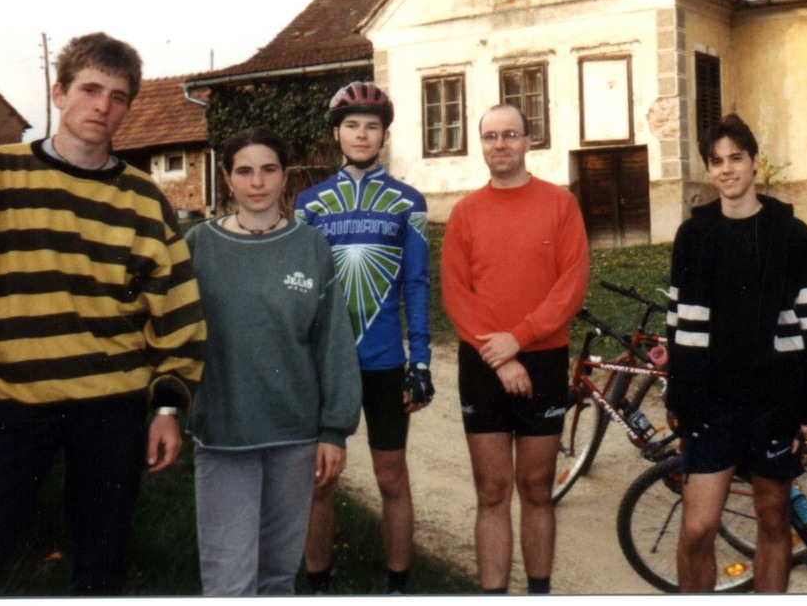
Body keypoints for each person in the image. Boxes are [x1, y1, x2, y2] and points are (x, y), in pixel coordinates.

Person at [0, 32, 207, 596]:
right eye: (90, 89)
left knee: (101, 568)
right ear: (58, 94)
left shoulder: (144, 199)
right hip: (12, 400)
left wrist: (166, 407)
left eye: (118, 96)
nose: (102, 106)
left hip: (111, 407)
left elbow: (176, 309)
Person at [185, 127, 361, 596]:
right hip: (225, 434)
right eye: (244, 171)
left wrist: (334, 430)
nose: (257, 182)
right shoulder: (199, 245)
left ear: (285, 176)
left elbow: (333, 343)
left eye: (269, 170)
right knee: (229, 582)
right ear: (227, 179)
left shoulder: (311, 246)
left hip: (294, 437)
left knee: (278, 578)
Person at [667, 113, 807, 593]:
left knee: (773, 519)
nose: (727, 169)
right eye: (716, 161)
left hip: (773, 402)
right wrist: (680, 402)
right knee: (697, 529)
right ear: (709, 169)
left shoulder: (791, 234)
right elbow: (681, 328)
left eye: (736, 158)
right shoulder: (694, 236)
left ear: (755, 162)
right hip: (712, 404)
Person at [440, 103, 589, 595]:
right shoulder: (464, 213)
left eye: (510, 135)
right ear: (481, 144)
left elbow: (571, 286)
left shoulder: (560, 204)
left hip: (543, 358)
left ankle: (539, 594)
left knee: (537, 489)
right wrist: (502, 356)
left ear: (529, 141)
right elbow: (456, 294)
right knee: (492, 491)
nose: (500, 144)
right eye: (490, 136)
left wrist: (519, 339)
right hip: (482, 360)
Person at [295, 82, 434, 595]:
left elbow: (416, 284)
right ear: (336, 133)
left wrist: (421, 361)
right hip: (325, 363)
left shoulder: (408, 202)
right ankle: (318, 587)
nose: (361, 134)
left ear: (385, 136)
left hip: (384, 362)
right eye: (351, 125)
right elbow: (301, 289)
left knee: (391, 477)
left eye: (371, 126)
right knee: (321, 479)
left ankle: (398, 587)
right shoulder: (309, 204)